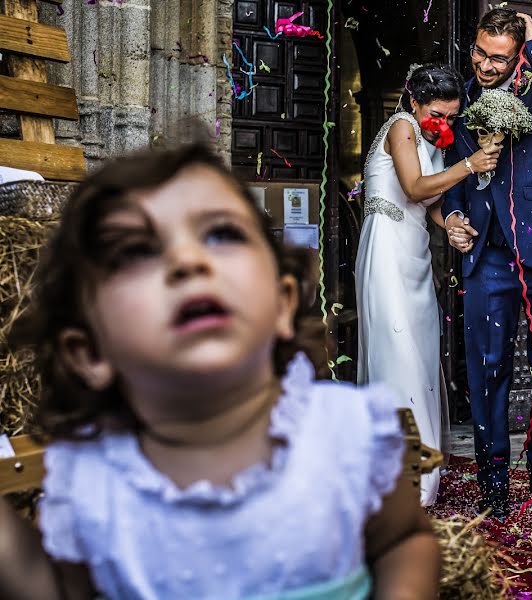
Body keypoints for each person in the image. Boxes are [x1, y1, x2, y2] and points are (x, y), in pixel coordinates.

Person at [0, 143, 440, 600]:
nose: (189, 262)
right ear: (88, 350)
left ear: (284, 303)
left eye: (221, 235)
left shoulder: (343, 433)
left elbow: (404, 542)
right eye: (136, 252)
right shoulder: (91, 482)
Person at [441, 8, 532, 518]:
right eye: (479, 53)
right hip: (488, 257)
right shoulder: (460, 105)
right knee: (487, 369)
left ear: (517, 54)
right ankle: (494, 484)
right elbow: (453, 176)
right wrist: (454, 214)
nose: (483, 64)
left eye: (497, 57)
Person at [355, 63, 498, 507]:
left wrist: (455, 226)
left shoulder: (431, 137)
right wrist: (469, 165)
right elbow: (415, 188)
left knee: (419, 355)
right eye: (439, 113)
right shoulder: (401, 126)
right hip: (386, 252)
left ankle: (420, 472)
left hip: (415, 252)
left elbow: (432, 207)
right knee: (396, 356)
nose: (446, 124)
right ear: (414, 101)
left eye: (453, 117)